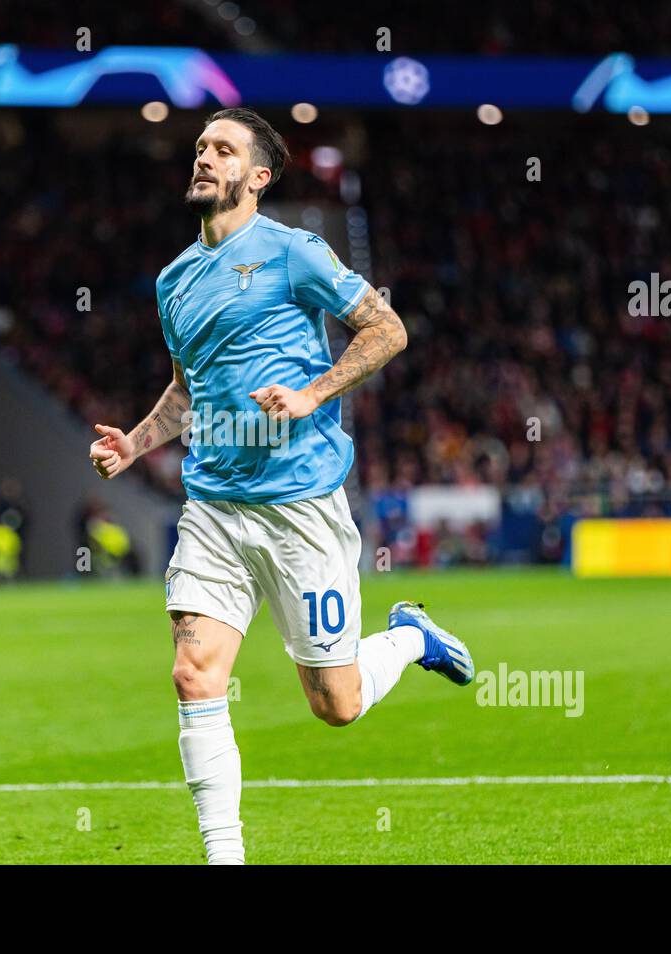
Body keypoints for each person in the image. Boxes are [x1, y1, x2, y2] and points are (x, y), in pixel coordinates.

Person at [88, 107, 475, 865]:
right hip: (215, 510)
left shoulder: (296, 253)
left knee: (336, 705)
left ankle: (408, 637)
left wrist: (313, 393)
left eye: (223, 149)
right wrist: (135, 442)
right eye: (200, 146)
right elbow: (186, 391)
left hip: (301, 509)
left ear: (258, 177)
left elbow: (386, 329)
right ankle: (224, 857)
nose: (204, 157)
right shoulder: (172, 280)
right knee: (193, 673)